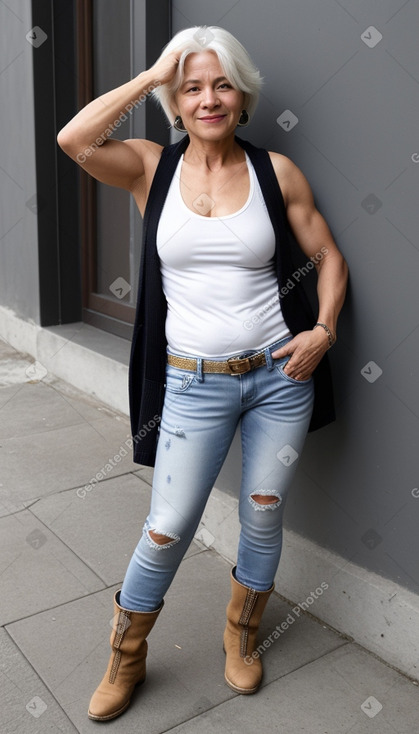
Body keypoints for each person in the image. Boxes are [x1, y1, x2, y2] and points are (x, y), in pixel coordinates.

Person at [57, 25, 348, 721]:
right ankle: (126, 655)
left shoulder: (274, 172)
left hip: (279, 378)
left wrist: (323, 330)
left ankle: (242, 635)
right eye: (191, 87)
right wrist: (153, 72)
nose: (208, 98)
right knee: (167, 525)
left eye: (221, 84)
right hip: (192, 383)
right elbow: (74, 141)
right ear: (174, 101)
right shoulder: (148, 167)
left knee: (263, 510)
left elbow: (329, 257)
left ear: (241, 94)